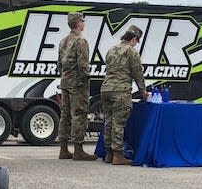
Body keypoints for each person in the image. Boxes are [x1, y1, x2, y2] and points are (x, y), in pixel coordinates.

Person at [100, 25, 148, 165]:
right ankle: (117, 155)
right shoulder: (131, 52)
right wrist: (143, 91)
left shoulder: (111, 50)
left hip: (106, 88)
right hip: (120, 90)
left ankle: (109, 153)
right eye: (137, 41)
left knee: (108, 121)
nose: (136, 43)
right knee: (118, 123)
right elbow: (137, 73)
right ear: (134, 39)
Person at [57, 12, 96, 161]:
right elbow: (83, 65)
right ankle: (78, 149)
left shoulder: (63, 41)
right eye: (83, 21)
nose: (84, 23)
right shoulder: (80, 41)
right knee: (79, 114)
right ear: (79, 23)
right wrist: (85, 80)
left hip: (65, 82)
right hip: (77, 83)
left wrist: (65, 76)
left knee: (65, 115)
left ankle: (63, 149)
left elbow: (59, 64)